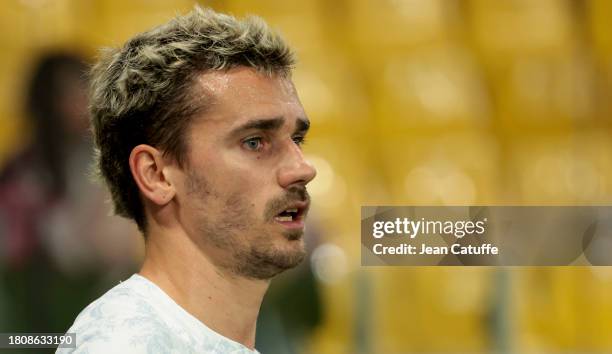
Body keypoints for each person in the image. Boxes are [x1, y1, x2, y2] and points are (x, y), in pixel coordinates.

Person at [58, 6, 317, 354]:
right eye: (254, 142)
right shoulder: (124, 344)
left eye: (296, 140)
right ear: (156, 175)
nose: (302, 169)